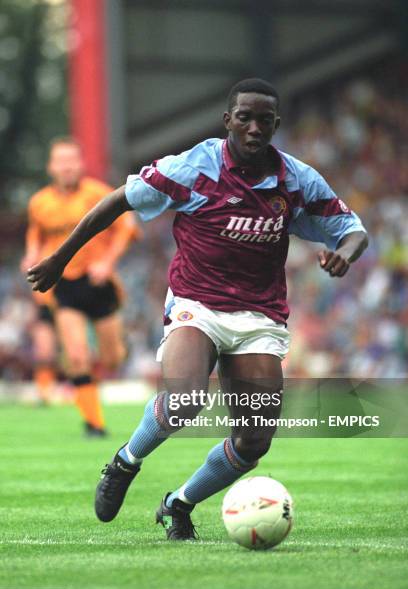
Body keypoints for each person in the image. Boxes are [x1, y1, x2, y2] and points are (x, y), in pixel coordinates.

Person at [28, 79, 368, 537]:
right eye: (243, 118)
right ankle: (125, 462)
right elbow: (118, 201)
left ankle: (179, 504)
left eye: (263, 120)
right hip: (197, 304)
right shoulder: (194, 166)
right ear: (227, 120)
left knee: (253, 443)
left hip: (258, 318)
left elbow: (353, 229)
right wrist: (60, 257)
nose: (253, 128)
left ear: (276, 125)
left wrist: (344, 253)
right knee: (185, 398)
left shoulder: (296, 179)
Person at [23, 137, 143, 435]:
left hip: (99, 283)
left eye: (71, 160)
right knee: (76, 355)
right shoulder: (39, 203)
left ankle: (118, 347)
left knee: (111, 360)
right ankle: (94, 423)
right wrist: (32, 254)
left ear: (80, 164)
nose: (66, 167)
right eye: (60, 161)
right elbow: (36, 235)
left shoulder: (98, 194)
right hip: (64, 284)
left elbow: (128, 228)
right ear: (51, 167)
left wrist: (108, 262)